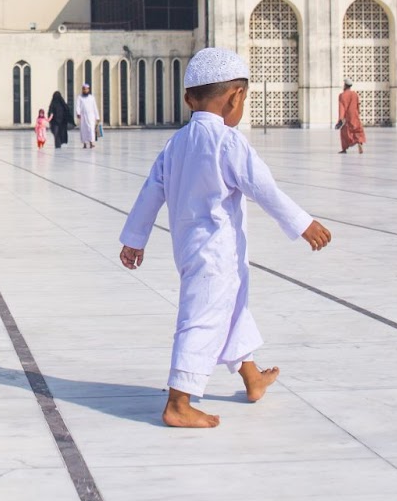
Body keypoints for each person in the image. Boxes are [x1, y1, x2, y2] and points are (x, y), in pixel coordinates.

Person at [119, 47, 332, 429]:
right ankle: (178, 401)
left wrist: (135, 238)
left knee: (232, 308)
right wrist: (303, 224)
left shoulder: (177, 143)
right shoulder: (228, 142)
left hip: (189, 247)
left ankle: (252, 379)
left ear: (188, 98)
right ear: (236, 97)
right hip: (216, 251)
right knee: (202, 318)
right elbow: (263, 188)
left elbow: (151, 191)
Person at [337, 79, 365, 155]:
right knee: (357, 131)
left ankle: (344, 149)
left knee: (344, 132)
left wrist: (340, 119)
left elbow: (342, 107)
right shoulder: (355, 94)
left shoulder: (342, 95)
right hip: (355, 115)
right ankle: (359, 142)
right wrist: (358, 113)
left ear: (345, 85)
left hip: (347, 117)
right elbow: (357, 105)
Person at [75, 82, 100, 149]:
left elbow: (95, 107)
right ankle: (85, 143)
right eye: (84, 89)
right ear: (82, 89)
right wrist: (78, 113)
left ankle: (92, 143)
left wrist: (97, 117)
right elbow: (77, 106)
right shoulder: (79, 97)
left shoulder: (92, 98)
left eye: (86, 89)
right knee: (84, 130)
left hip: (91, 116)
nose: (85, 90)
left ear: (88, 90)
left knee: (91, 129)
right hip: (83, 116)